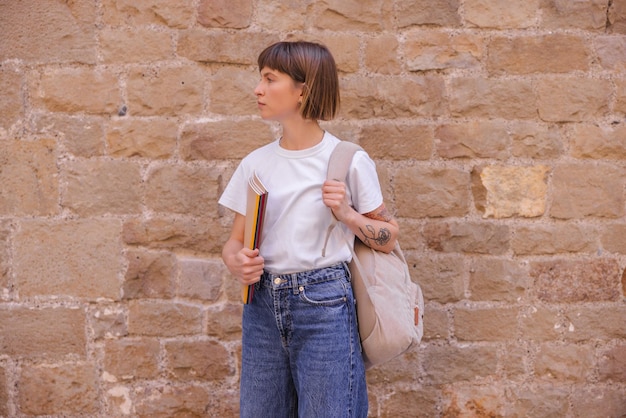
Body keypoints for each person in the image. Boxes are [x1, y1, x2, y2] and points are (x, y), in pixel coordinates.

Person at [219, 40, 399, 418]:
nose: (258, 89)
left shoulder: (348, 159)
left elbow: (388, 236)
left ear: (303, 90)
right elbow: (234, 243)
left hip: (324, 304)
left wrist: (347, 214)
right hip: (262, 306)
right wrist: (239, 263)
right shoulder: (256, 163)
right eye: (260, 79)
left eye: (270, 79)